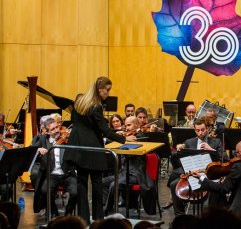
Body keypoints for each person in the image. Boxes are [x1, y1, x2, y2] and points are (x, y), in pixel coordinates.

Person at [63, 76, 135, 224]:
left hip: (78, 148)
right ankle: (98, 219)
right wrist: (124, 139)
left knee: (82, 183)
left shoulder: (79, 103)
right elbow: (106, 131)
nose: (108, 93)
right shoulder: (96, 106)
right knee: (96, 184)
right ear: (100, 89)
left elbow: (77, 125)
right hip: (92, 149)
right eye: (107, 90)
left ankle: (83, 219)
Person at [168, 117, 227, 215]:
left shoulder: (216, 142)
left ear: (207, 129)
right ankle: (180, 216)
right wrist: (178, 151)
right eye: (197, 130)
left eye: (202, 130)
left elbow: (225, 158)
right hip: (192, 173)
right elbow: (180, 162)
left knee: (214, 190)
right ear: (195, 130)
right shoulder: (189, 142)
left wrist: (211, 149)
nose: (200, 133)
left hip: (209, 174)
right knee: (174, 184)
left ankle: (210, 217)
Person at [192, 140, 241, 219]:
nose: (236, 156)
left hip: (239, 211)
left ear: (240, 153)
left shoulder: (239, 167)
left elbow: (223, 189)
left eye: (236, 153)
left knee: (216, 195)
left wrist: (201, 178)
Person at [103, 116, 155, 215]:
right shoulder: (127, 136)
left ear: (136, 125)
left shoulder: (141, 136)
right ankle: (106, 204)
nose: (126, 128)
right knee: (102, 182)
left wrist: (124, 139)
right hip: (123, 172)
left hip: (135, 175)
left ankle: (106, 210)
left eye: (129, 125)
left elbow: (132, 148)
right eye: (125, 125)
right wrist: (121, 137)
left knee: (114, 184)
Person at [32, 117, 77, 217]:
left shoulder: (67, 137)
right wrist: (38, 149)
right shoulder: (43, 140)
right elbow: (32, 149)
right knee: (44, 191)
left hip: (67, 173)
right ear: (47, 132)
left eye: (57, 127)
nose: (56, 130)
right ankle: (54, 211)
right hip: (52, 174)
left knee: (75, 192)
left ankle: (68, 212)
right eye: (52, 129)